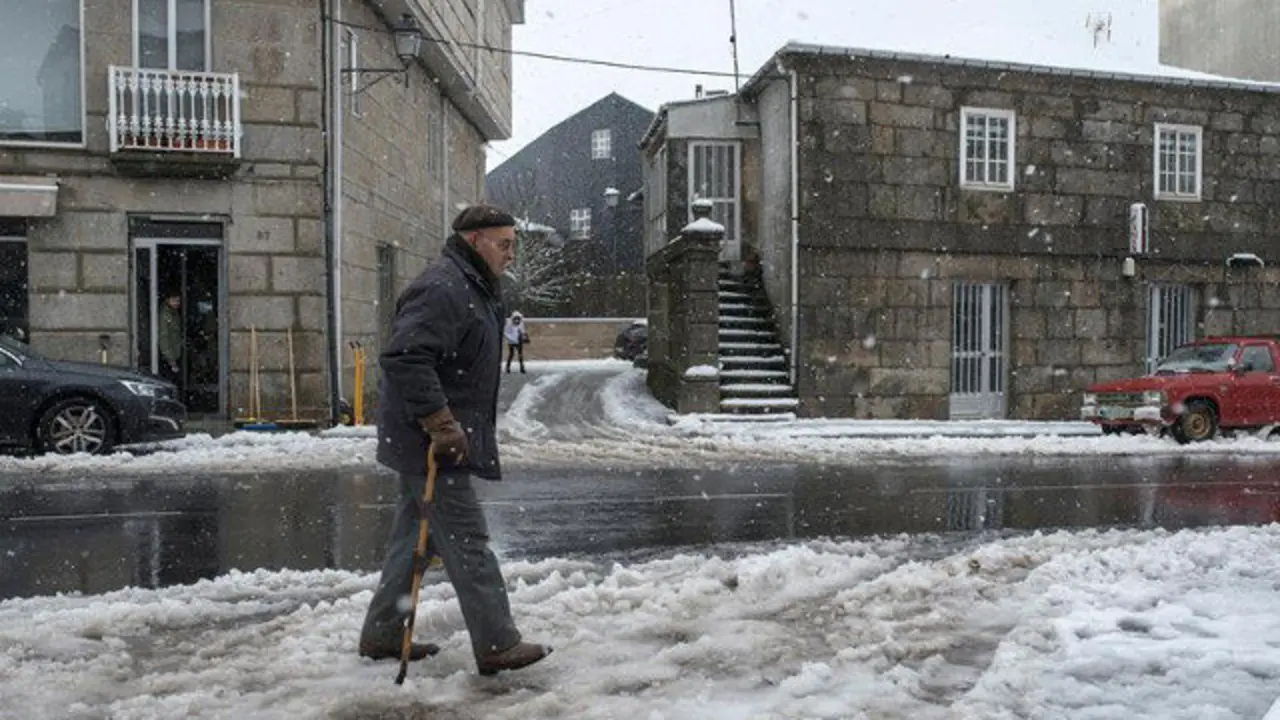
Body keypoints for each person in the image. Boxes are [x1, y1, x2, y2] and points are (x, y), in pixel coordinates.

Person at [359, 204, 552, 676]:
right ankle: (497, 643)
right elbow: (405, 358)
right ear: (474, 241)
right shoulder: (446, 287)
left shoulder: (471, 286)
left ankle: (383, 633)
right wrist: (441, 423)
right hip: (430, 444)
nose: (511, 253)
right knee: (467, 541)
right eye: (504, 243)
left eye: (513, 244)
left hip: (429, 440)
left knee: (413, 543)